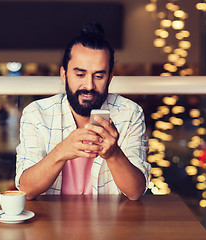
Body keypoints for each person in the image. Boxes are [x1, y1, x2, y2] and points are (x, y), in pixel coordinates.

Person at [15, 23, 151, 200]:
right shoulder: (36, 114)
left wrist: (114, 154)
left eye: (99, 76)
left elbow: (135, 192)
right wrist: (61, 152)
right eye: (80, 75)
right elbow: (27, 189)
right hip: (51, 223)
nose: (89, 85)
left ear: (110, 78)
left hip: (111, 224)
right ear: (64, 75)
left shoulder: (130, 113)